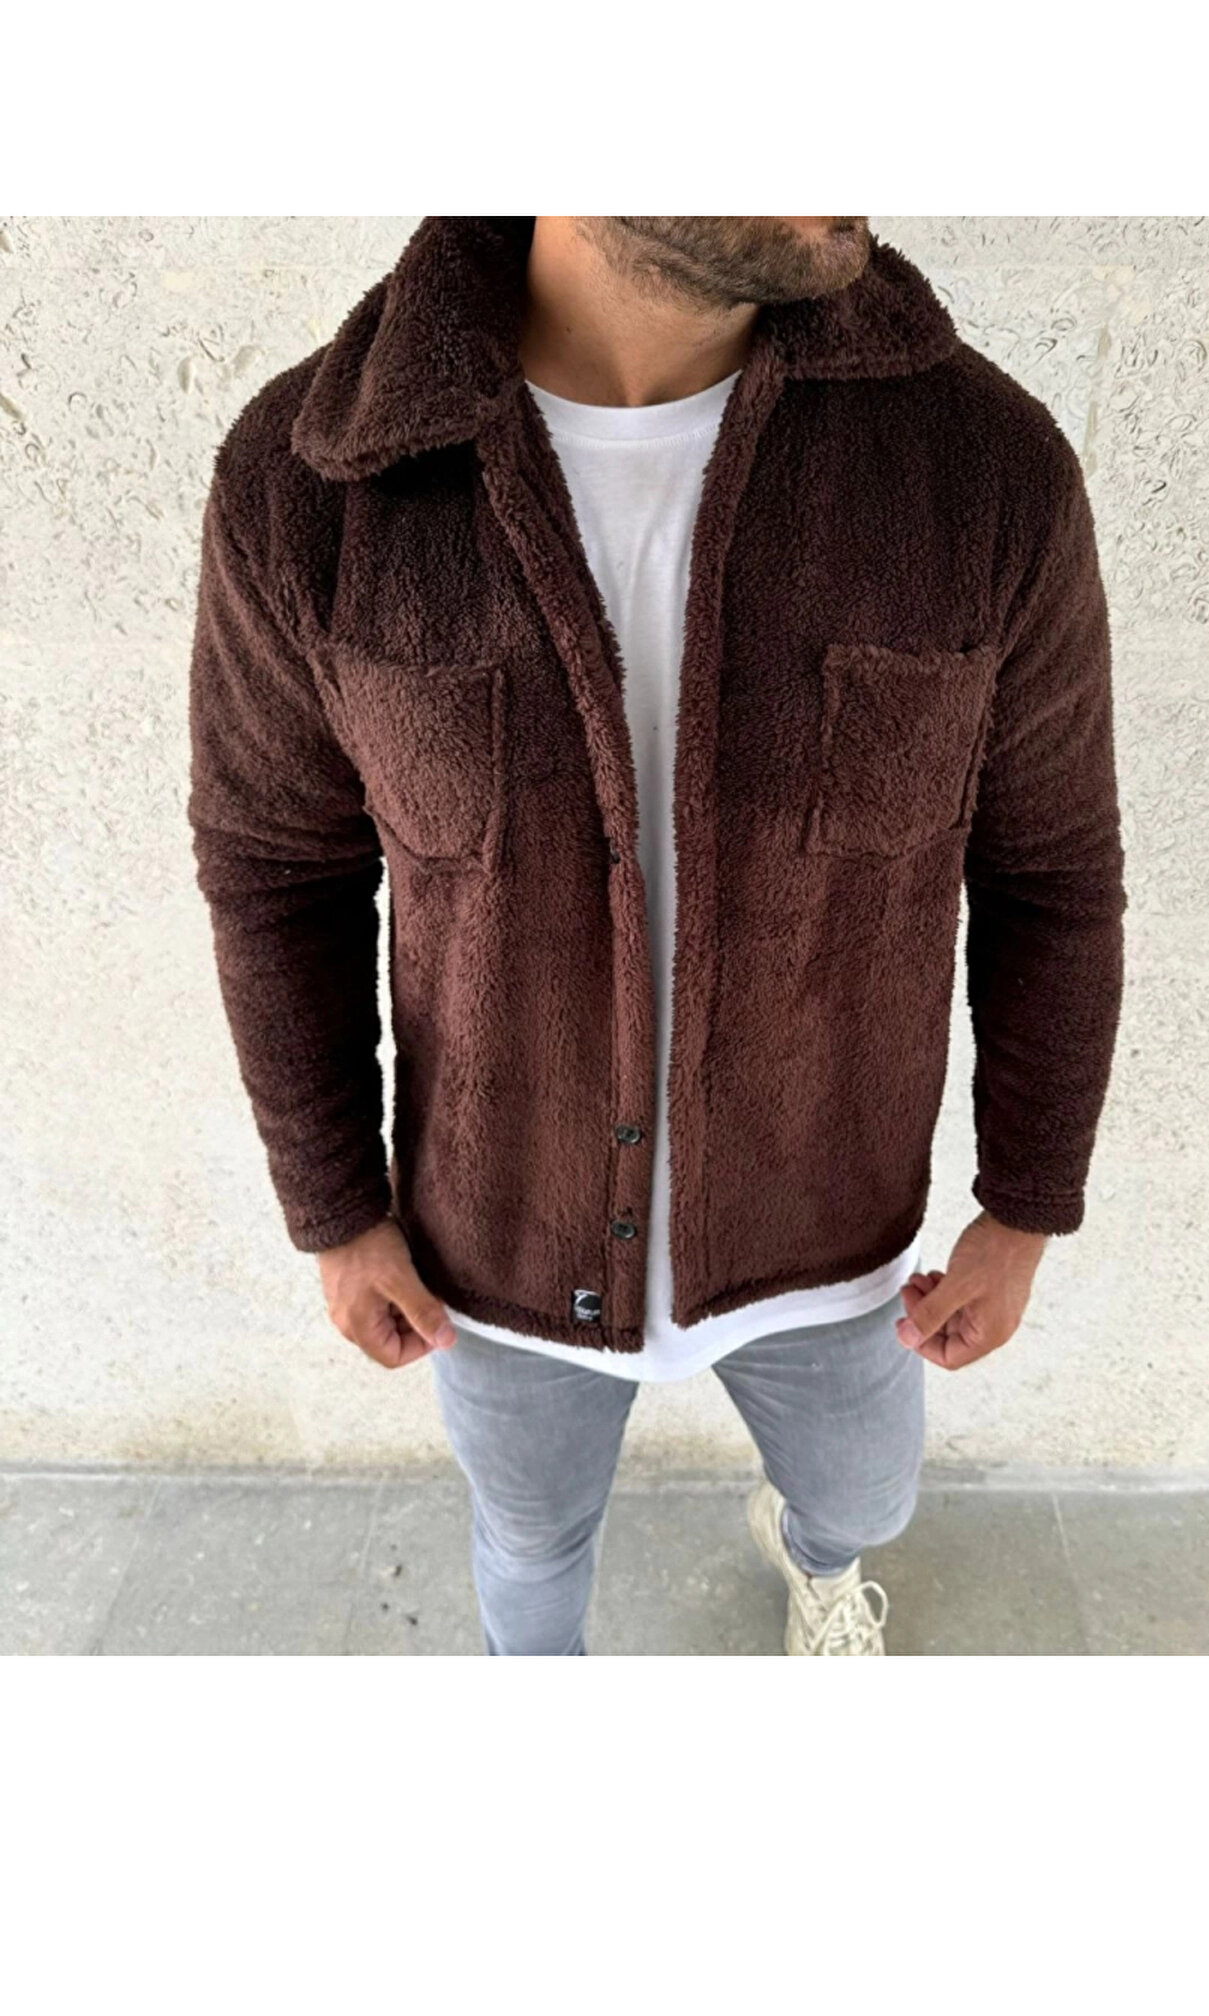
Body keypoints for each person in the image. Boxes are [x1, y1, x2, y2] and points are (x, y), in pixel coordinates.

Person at [186, 216, 1126, 1656]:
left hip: (832, 1222)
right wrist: (336, 1206)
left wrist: (1027, 1202)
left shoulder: (982, 470)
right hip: (496, 1243)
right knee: (529, 1539)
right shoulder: (314, 482)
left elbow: (1050, 870)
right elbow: (275, 872)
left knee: (868, 1499)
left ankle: (818, 1561)